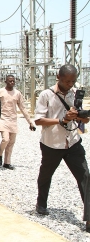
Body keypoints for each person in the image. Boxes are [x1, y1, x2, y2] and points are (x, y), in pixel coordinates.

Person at [34, 64, 90, 232]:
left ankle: (89, 218)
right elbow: (38, 120)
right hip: (52, 143)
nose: (70, 84)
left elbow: (83, 122)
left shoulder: (75, 94)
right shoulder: (46, 95)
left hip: (72, 142)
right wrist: (61, 120)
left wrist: (82, 116)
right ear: (58, 77)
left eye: (72, 81)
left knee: (85, 177)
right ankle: (41, 204)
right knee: (45, 175)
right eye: (66, 81)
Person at [0, 75, 36, 169]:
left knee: (11, 142)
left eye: (13, 81)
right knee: (5, 139)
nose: (12, 83)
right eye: (10, 81)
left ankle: (7, 162)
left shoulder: (17, 93)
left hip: (13, 120)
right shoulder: (0, 92)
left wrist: (30, 122)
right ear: (6, 81)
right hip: (2, 119)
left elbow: (23, 108)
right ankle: (0, 153)